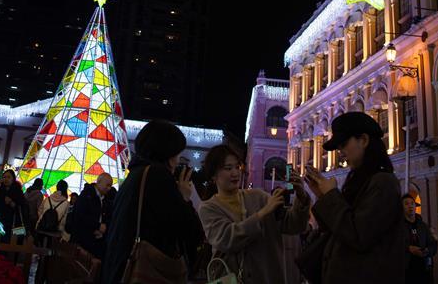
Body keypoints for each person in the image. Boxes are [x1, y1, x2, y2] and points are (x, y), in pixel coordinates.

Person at [303, 112, 407, 284]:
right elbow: (339, 230)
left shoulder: (383, 183)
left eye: (343, 144)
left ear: (364, 140)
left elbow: (358, 235)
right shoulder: (360, 181)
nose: (341, 152)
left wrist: (330, 196)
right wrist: (322, 196)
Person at [101, 120, 204, 284]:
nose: (178, 161)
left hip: (120, 268)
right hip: (144, 272)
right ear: (168, 154)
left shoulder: (135, 175)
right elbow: (191, 231)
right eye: (177, 155)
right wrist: (184, 197)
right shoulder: (158, 176)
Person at [197, 144, 311, 283]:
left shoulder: (259, 196)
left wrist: (302, 197)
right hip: (231, 278)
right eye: (228, 168)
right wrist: (263, 212)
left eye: (237, 167)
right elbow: (227, 239)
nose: (235, 173)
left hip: (268, 277)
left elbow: (294, 225)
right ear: (213, 174)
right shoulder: (208, 208)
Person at [70, 173, 114, 259]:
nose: (109, 189)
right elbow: (79, 217)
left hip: (97, 243)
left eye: (110, 186)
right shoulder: (86, 195)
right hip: (83, 242)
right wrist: (97, 226)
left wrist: (104, 228)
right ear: (99, 182)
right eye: (107, 185)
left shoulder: (105, 199)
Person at [402, 194, 437, 284]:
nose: (410, 206)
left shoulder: (423, 226)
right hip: (405, 271)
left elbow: (432, 245)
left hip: (423, 269)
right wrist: (408, 248)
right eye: (406, 204)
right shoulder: (398, 227)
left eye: (412, 203)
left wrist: (427, 251)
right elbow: (392, 245)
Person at [0, 169, 28, 243]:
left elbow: (23, 207)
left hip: (12, 223)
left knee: (9, 243)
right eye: (4, 177)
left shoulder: (17, 191)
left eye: (9, 177)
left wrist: (12, 203)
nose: (6, 179)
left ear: (13, 179)